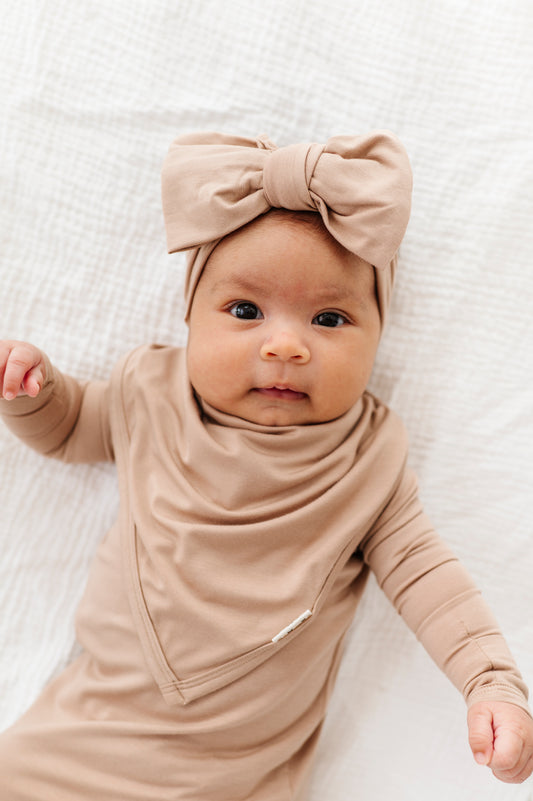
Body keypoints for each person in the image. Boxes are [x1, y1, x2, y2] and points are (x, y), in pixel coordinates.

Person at [0, 131, 532, 800]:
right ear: (190, 315)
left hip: (237, 771)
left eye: (330, 318)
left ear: (378, 334)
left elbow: (432, 582)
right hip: (86, 735)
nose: (285, 344)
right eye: (245, 310)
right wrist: (34, 392)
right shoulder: (150, 394)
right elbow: (72, 427)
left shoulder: (366, 464)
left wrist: (491, 683)